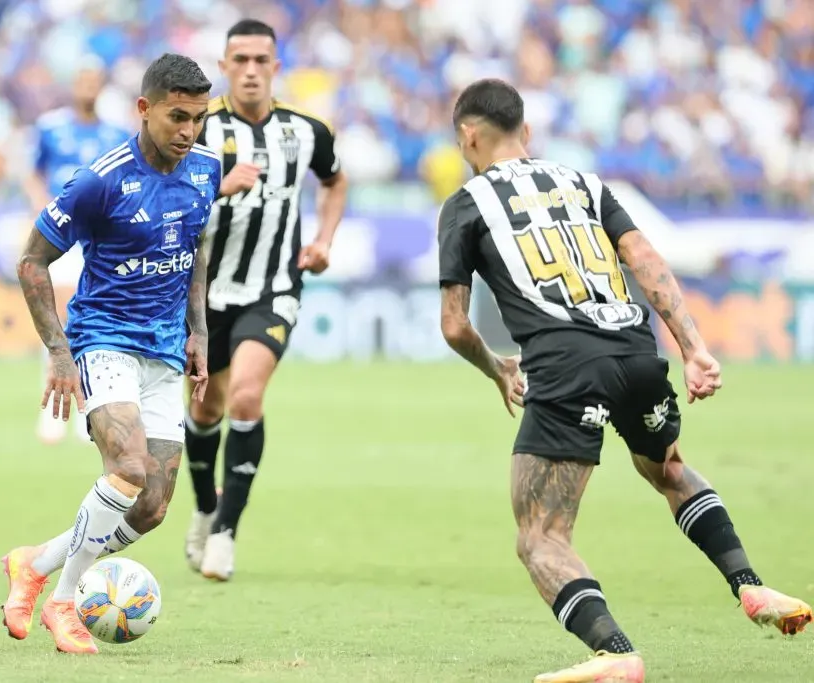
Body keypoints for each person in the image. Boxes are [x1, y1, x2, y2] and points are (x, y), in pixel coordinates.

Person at [437, 78, 811, 682]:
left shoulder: (465, 204)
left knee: (541, 538)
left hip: (565, 364)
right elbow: (644, 258)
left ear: (467, 137)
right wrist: (693, 348)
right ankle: (750, 584)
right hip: (636, 350)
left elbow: (455, 325)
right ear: (526, 131)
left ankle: (614, 651)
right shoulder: (586, 183)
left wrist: (497, 367)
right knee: (668, 468)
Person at [0, 53, 221, 654]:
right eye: (177, 117)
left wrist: (199, 330)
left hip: (165, 350)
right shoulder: (100, 180)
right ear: (144, 109)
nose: (189, 131)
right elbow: (32, 261)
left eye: (198, 118)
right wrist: (59, 352)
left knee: (151, 506)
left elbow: (196, 248)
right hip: (105, 339)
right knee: (127, 470)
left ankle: (34, 564)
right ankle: (64, 602)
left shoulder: (206, 170)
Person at [181, 18, 349, 582]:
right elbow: (166, 192)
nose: (251, 71)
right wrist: (217, 186)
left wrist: (324, 240)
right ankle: (205, 508)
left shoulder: (307, 131)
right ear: (224, 67)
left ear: (275, 68)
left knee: (246, 397)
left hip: (273, 288)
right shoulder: (198, 129)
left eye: (261, 61)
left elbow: (335, 181)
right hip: (202, 295)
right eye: (241, 60)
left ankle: (225, 532)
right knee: (205, 408)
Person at [23, 56, 131, 445]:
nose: (88, 86)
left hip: (100, 240)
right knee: (56, 315)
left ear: (102, 85)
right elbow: (32, 173)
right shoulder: (50, 128)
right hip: (61, 237)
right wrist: (43, 210)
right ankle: (52, 409)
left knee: (92, 318)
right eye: (82, 79)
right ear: (73, 84)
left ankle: (91, 407)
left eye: (94, 80)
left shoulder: (117, 134)